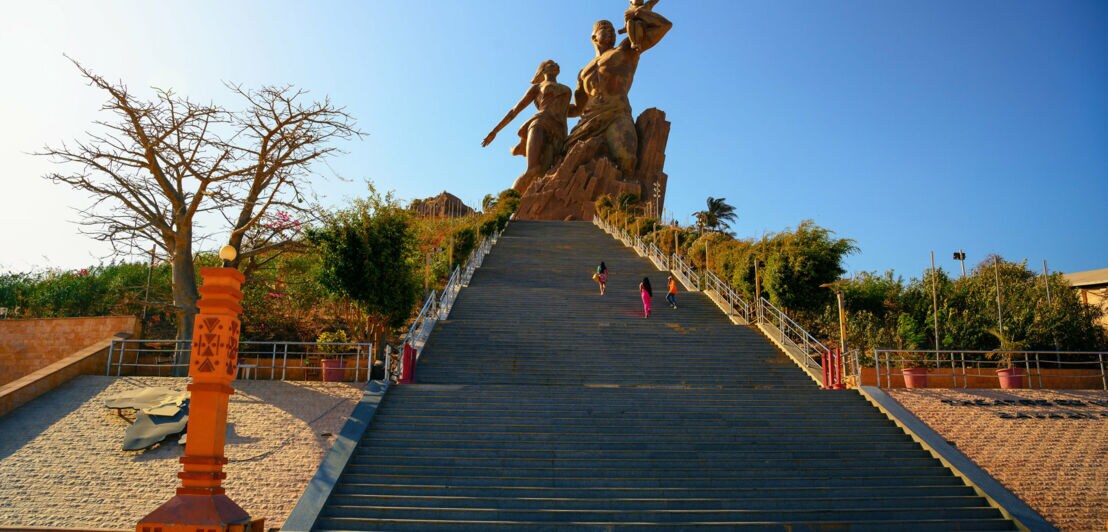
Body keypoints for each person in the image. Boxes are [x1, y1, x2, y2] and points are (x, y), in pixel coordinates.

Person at [565, 8, 672, 177]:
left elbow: (664, 26)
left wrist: (639, 14)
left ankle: (624, 201)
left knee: (627, 159)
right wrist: (549, 108)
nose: (611, 33)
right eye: (605, 29)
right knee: (566, 163)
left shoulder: (626, 49)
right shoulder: (583, 72)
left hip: (617, 113)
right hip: (588, 121)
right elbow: (577, 109)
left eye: (613, 30)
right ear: (594, 37)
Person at [482, 60, 573, 194]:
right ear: (542, 70)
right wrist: (495, 131)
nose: (555, 64)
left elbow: (574, 110)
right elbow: (515, 110)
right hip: (540, 124)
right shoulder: (537, 87)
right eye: (550, 64)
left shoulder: (566, 88)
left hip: (560, 131)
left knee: (548, 172)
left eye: (555, 63)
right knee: (533, 170)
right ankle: (506, 203)